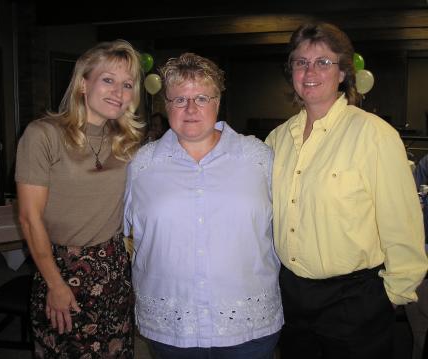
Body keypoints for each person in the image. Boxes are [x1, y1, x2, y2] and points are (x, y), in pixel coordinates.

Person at [265, 22, 428, 359]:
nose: (310, 71)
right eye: (300, 62)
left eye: (323, 62)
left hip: (355, 302)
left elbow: (403, 223)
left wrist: (389, 296)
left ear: (342, 72)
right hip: (292, 297)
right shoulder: (277, 140)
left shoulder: (374, 135)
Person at [123, 53, 283, 359]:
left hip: (249, 327)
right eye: (179, 100)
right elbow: (118, 230)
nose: (191, 109)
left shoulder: (260, 159)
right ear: (166, 105)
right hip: (171, 328)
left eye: (201, 97)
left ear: (218, 101)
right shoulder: (142, 164)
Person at [15, 40, 144, 358]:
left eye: (127, 84)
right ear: (84, 83)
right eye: (108, 80)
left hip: (113, 268)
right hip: (60, 269)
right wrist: (55, 285)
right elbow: (30, 219)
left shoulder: (127, 143)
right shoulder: (43, 134)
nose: (118, 91)